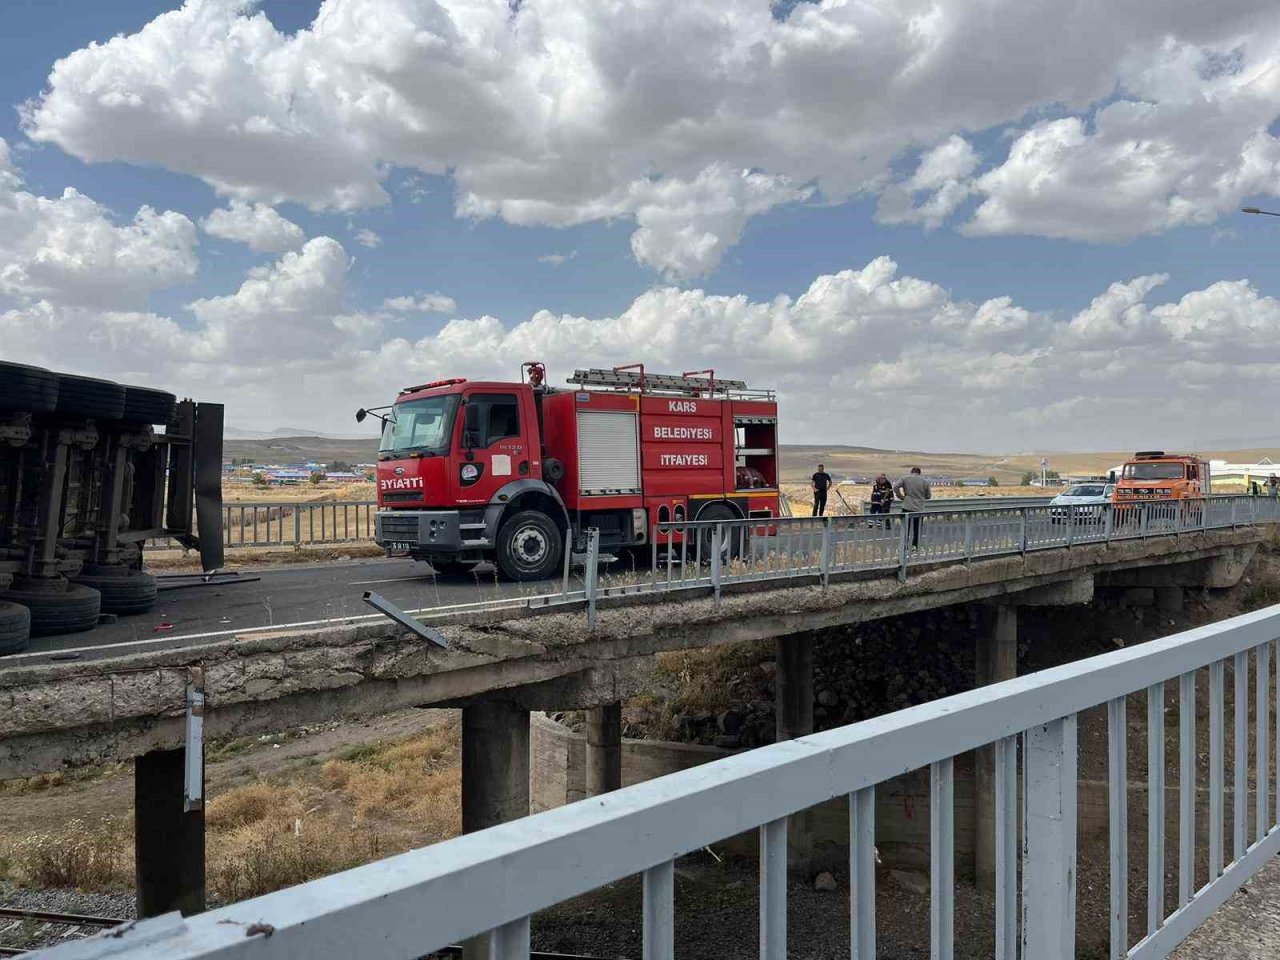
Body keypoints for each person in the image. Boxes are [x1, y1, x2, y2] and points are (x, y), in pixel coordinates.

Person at [894, 466, 932, 550]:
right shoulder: (925, 482)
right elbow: (929, 496)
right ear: (919, 473)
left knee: (905, 528)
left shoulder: (905, 478)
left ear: (911, 472)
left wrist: (901, 496)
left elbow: (895, 487)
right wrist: (921, 496)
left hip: (907, 505)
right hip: (919, 508)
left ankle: (904, 545)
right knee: (917, 529)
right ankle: (915, 546)